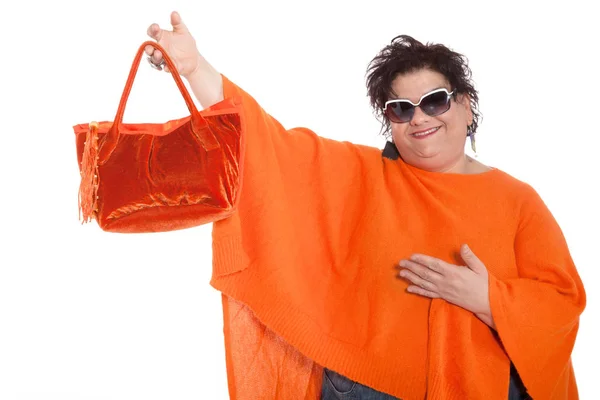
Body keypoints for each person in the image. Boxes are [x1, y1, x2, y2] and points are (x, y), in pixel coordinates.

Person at [140, 11, 586, 400]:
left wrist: (486, 299)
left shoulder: (517, 199)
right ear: (389, 121)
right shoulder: (360, 171)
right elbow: (264, 143)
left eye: (434, 101)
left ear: (466, 107)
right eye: (401, 109)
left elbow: (562, 304)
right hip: (360, 387)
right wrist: (195, 68)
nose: (420, 118)